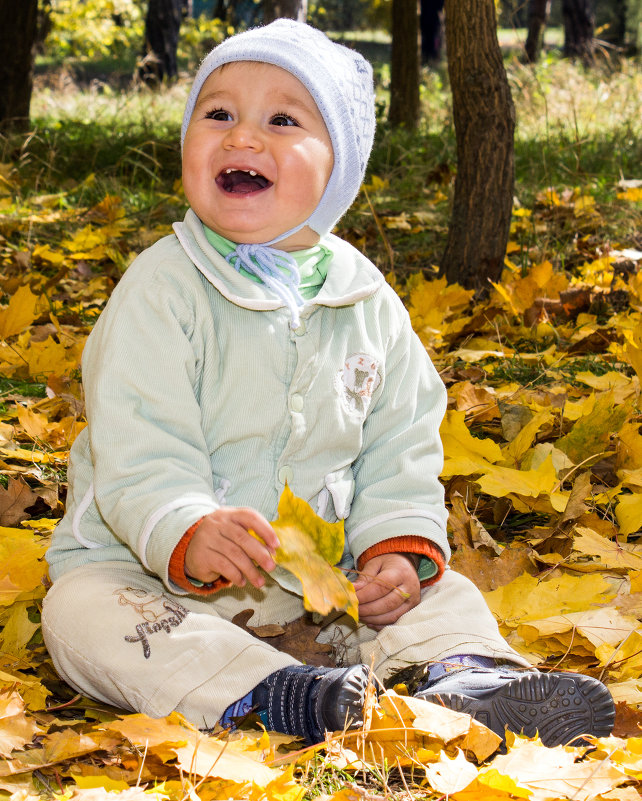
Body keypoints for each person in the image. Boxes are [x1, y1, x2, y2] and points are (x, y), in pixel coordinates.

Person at [42, 20, 615, 748]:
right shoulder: (162, 289)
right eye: (217, 113)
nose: (242, 137)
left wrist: (392, 554)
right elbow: (138, 442)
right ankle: (281, 695)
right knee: (81, 613)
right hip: (155, 583)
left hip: (326, 592)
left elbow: (400, 443)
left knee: (444, 590)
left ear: (339, 166)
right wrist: (185, 526)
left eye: (282, 120)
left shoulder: (366, 300)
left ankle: (465, 676)